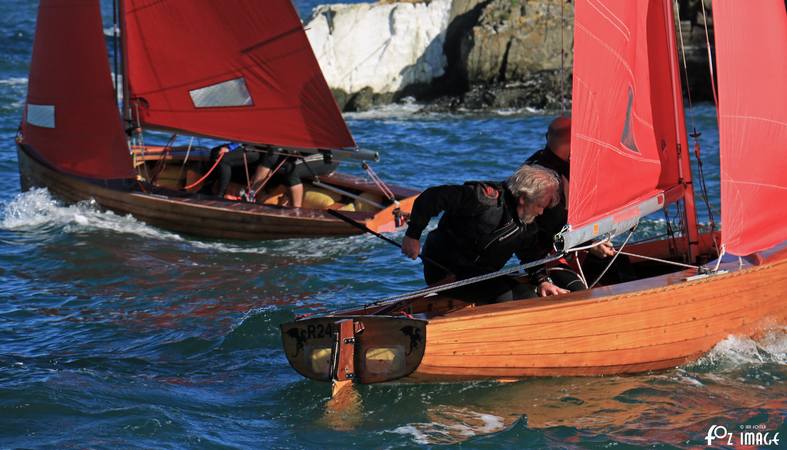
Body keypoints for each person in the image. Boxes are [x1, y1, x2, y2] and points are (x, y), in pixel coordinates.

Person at [401, 164, 568, 303]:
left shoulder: (526, 222)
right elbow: (431, 197)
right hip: (444, 271)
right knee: (504, 295)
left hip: (479, 275)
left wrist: (543, 281)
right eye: (539, 205)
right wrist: (412, 236)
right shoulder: (482, 199)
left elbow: (531, 254)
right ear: (523, 198)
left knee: (527, 295)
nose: (540, 212)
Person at [524, 116, 629, 291]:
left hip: (575, 247)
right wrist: (590, 244)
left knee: (620, 265)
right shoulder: (541, 179)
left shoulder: (568, 163)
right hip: (547, 257)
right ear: (571, 144)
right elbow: (553, 228)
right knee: (579, 292)